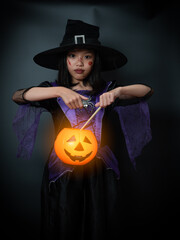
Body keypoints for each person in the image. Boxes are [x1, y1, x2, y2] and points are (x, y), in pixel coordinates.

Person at [12, 19, 153, 240]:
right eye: (73, 56)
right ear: (65, 60)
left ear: (95, 61)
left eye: (87, 56)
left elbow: (146, 92)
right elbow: (18, 96)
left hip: (100, 171)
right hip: (63, 171)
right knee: (64, 226)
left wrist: (118, 92)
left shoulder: (106, 90)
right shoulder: (54, 91)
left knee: (100, 227)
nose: (79, 62)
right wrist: (59, 91)